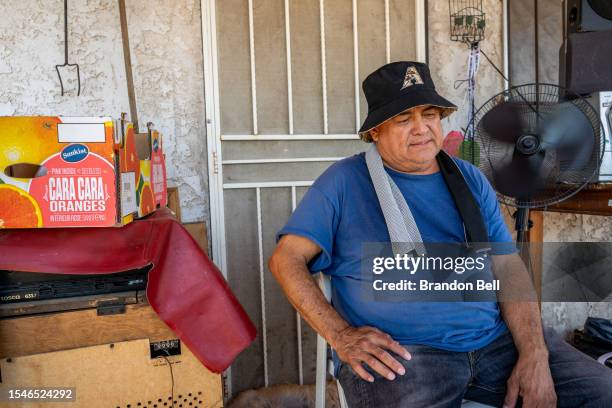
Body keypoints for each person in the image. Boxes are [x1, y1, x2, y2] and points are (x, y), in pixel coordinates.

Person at [268, 61, 612, 407]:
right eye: (404, 119)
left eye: (429, 115)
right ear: (375, 132)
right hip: (404, 353)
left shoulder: (470, 180)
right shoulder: (342, 183)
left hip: (494, 343)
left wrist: (534, 353)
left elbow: (507, 268)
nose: (421, 128)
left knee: (603, 393)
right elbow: (286, 258)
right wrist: (340, 336)